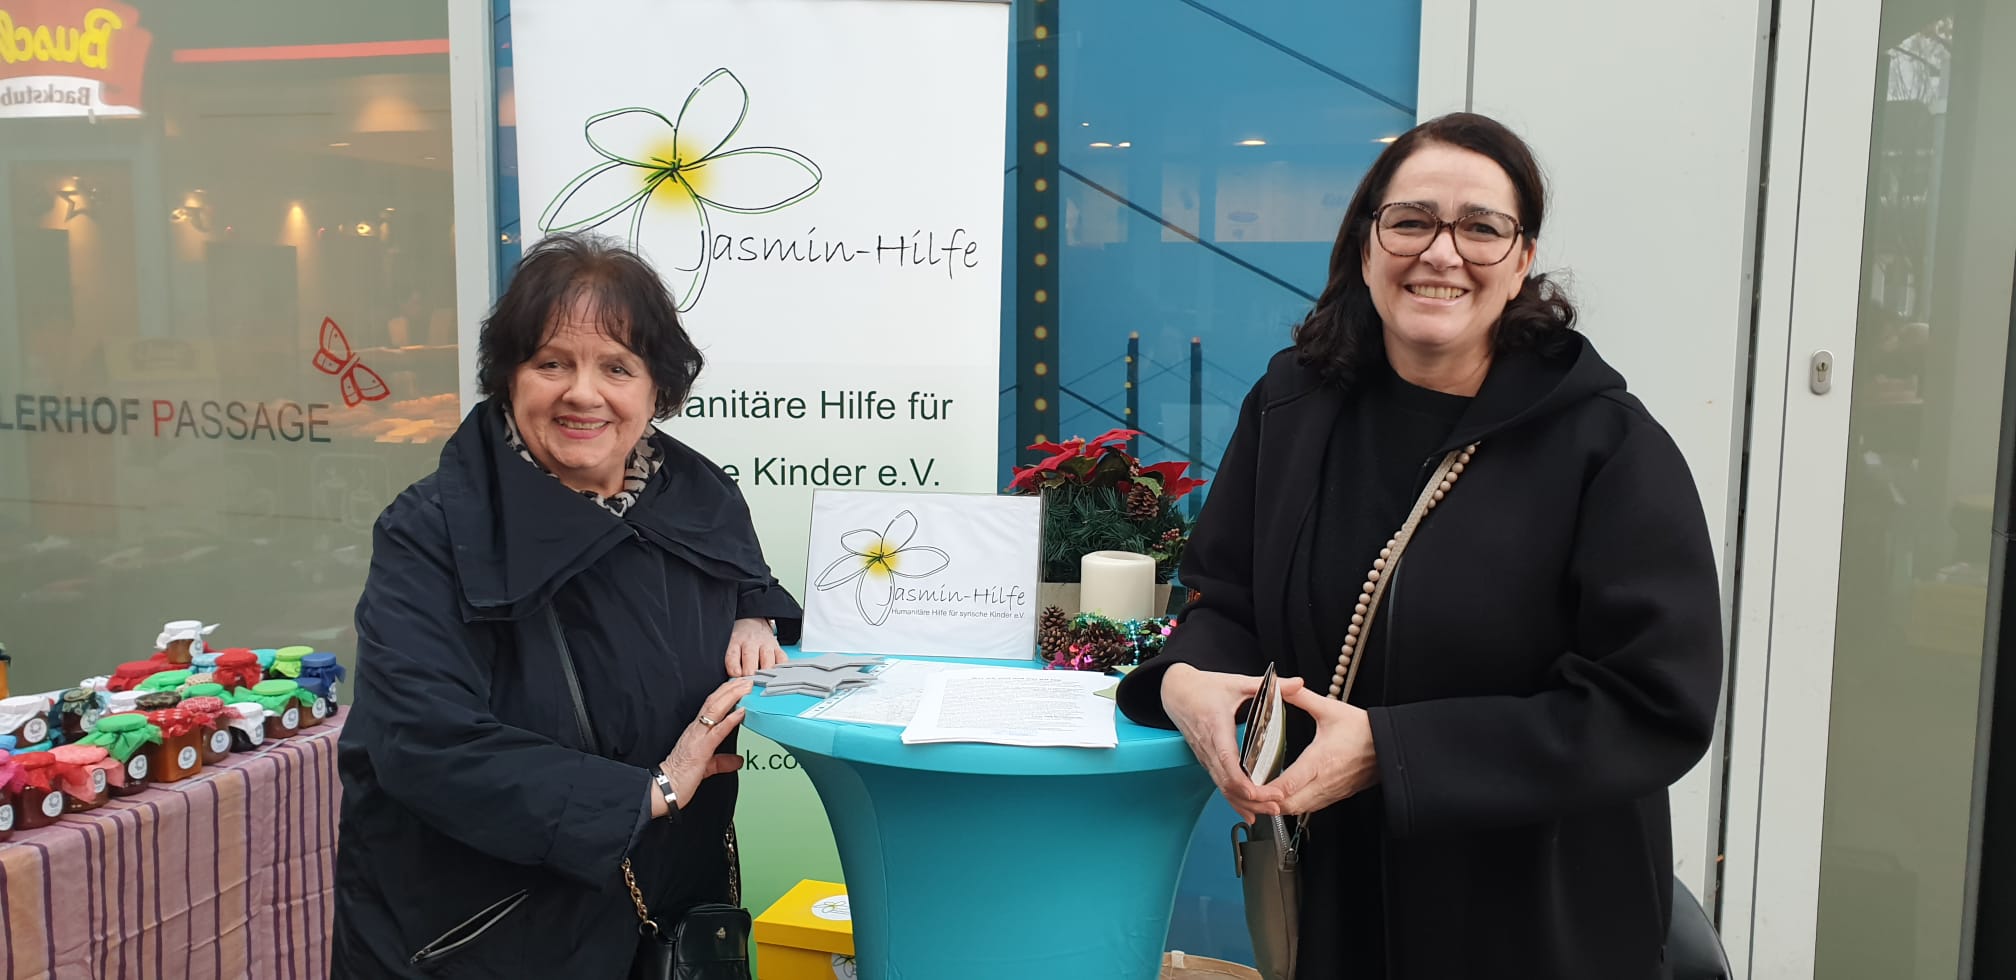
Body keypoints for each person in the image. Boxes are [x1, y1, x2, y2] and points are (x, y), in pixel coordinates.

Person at [1114, 113, 1723, 979]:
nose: (1442, 253)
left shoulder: (1609, 449)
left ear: (1521, 260)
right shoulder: (1292, 407)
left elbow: (1653, 705)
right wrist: (1186, 679)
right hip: (1338, 899)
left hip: (1533, 923)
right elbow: (1228, 598)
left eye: (1481, 227)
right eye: (1411, 221)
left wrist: (1393, 752)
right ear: (1367, 246)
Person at [332, 233, 802, 978]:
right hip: (482, 932)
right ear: (509, 377)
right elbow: (421, 740)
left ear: (657, 388)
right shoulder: (434, 530)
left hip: (669, 915)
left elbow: (734, 568)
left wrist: (752, 607)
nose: (583, 393)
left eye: (617, 367)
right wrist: (647, 792)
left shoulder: (700, 492)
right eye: (552, 363)